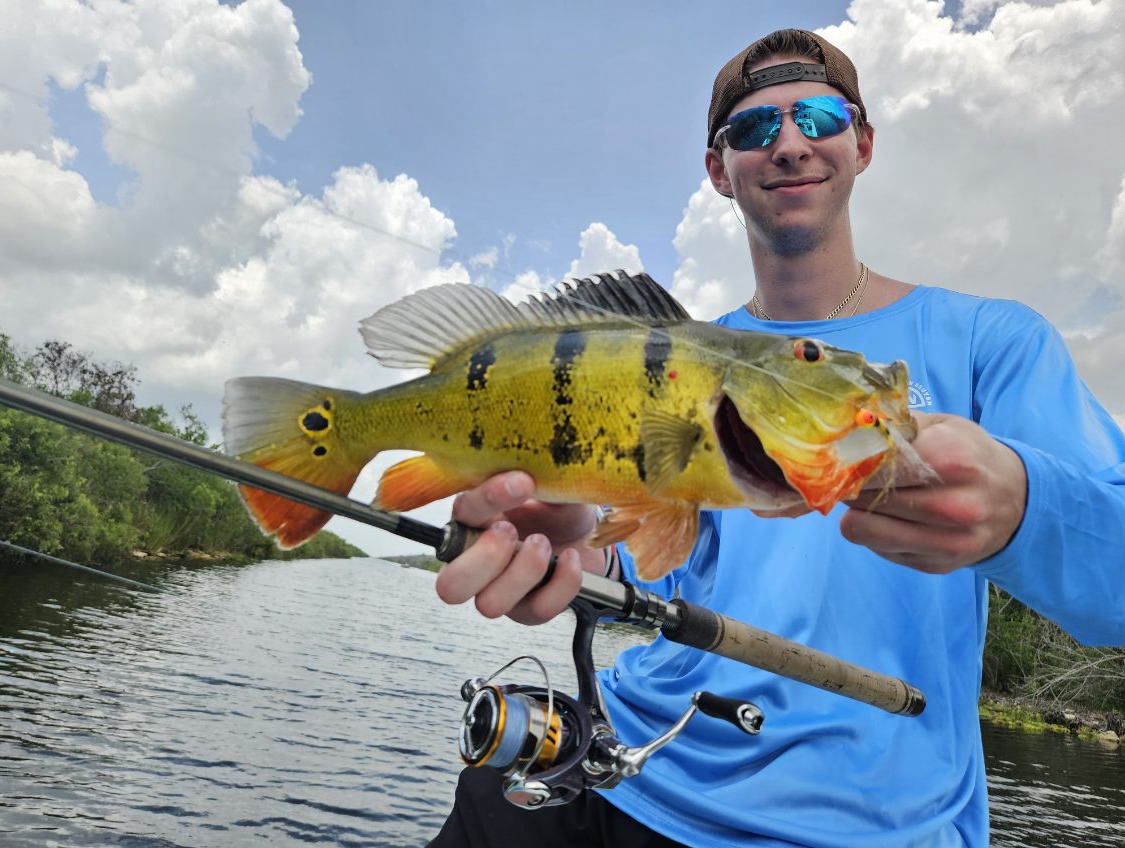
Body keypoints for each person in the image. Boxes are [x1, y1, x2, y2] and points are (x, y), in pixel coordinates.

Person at [427, 28, 1125, 847]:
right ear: (719, 170)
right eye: (755, 130)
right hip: (617, 756)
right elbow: (662, 552)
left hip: (857, 824)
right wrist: (576, 550)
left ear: (860, 144)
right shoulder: (684, 359)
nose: (790, 144)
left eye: (820, 117)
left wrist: (1022, 508)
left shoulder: (992, 339)